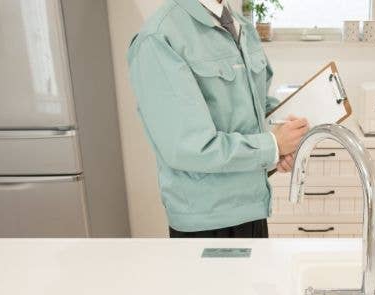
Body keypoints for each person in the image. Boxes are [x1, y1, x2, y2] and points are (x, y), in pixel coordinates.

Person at [127, 0, 308, 238]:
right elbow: (190, 147)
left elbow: (257, 108)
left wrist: (284, 142)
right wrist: (272, 146)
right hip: (206, 222)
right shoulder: (159, 38)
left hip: (253, 210)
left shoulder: (241, 25)